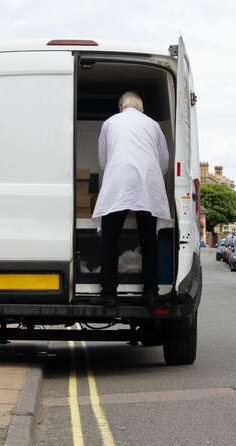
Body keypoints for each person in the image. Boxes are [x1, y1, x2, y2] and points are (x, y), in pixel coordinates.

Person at [92, 91, 170, 308]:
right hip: (148, 183)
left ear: (121, 106)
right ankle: (151, 293)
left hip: (118, 183)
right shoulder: (153, 125)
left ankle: (108, 293)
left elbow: (103, 159)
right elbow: (164, 160)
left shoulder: (110, 123)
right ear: (141, 107)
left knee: (110, 240)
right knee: (148, 242)